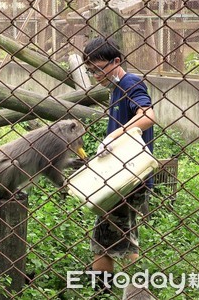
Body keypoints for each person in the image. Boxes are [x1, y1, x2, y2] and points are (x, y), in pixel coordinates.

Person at [82, 37, 156, 298]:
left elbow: (147, 115)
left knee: (115, 244)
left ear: (116, 61)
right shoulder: (115, 87)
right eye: (90, 71)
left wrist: (114, 136)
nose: (95, 76)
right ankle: (116, 293)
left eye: (99, 69)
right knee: (113, 241)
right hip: (119, 178)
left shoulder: (130, 82)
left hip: (128, 180)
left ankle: (124, 295)